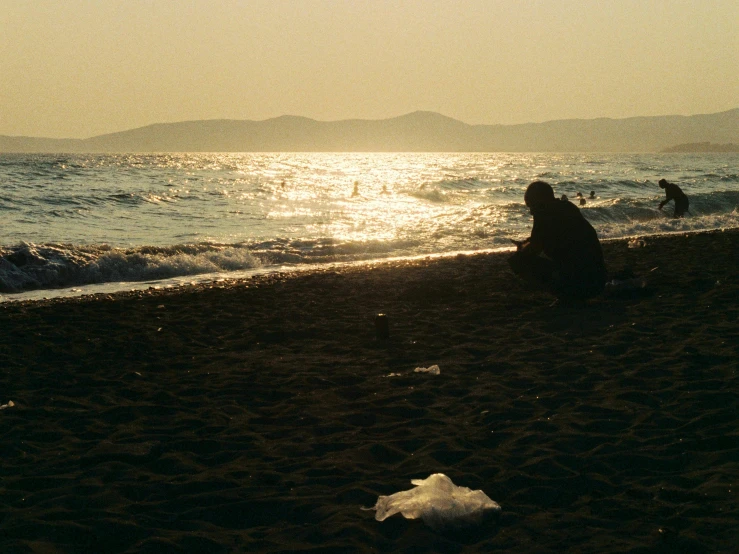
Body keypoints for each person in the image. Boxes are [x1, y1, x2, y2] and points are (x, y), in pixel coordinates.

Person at [509, 181, 607, 301]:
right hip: (598, 281)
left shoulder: (544, 214)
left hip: (580, 283)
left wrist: (521, 249)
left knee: (517, 261)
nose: (531, 211)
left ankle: (564, 295)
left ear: (540, 201)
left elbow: (533, 250)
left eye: (531, 206)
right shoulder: (568, 207)